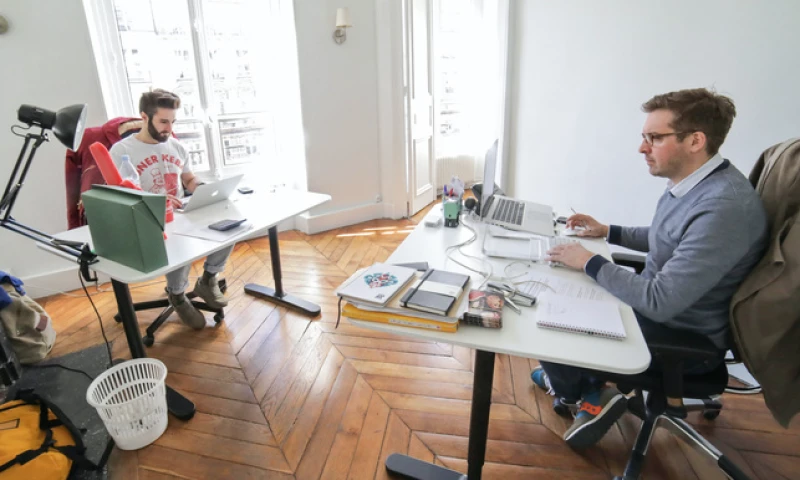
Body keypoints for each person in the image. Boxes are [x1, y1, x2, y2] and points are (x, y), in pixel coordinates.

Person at [532, 88, 768, 448]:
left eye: (655, 138)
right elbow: (667, 236)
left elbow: (660, 301)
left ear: (695, 141)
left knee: (553, 321)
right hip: (661, 315)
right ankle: (577, 382)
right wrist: (609, 231)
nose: (642, 148)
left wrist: (589, 260)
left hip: (680, 338)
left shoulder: (724, 208)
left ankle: (585, 393)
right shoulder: (695, 182)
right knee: (560, 290)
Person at [109, 89, 233, 330]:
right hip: (149, 220)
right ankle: (176, 295)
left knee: (230, 223)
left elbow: (188, 179)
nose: (169, 128)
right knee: (180, 239)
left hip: (180, 213)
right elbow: (118, 195)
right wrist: (156, 199)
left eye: (173, 122)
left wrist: (202, 188)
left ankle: (209, 279)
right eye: (163, 122)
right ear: (144, 117)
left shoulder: (176, 147)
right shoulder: (122, 151)